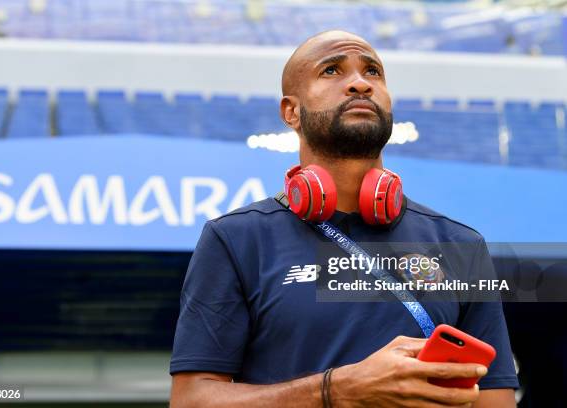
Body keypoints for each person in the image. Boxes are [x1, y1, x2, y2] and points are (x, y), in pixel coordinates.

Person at [170, 30, 518, 407]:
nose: (359, 84)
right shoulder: (235, 239)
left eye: (373, 72)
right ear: (291, 111)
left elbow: (494, 399)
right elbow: (192, 400)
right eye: (332, 71)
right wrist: (336, 390)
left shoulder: (461, 245)